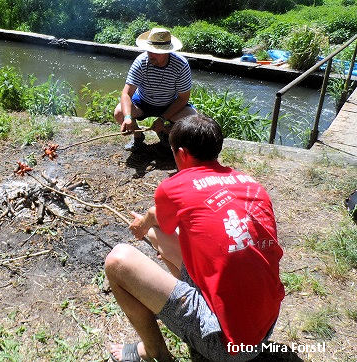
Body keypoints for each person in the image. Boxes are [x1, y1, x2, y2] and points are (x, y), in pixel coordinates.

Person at [106, 114, 284, 362]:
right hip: (264, 328)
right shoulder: (250, 184)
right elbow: (164, 223)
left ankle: (153, 351)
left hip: (228, 347)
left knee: (118, 260)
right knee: (165, 234)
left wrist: (145, 221)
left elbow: (159, 216)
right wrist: (148, 223)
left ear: (181, 153)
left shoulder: (173, 187)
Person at [114, 27, 196, 151]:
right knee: (119, 112)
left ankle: (166, 134)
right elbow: (126, 93)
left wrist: (163, 119)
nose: (150, 55)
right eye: (149, 50)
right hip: (142, 102)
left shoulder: (181, 65)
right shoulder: (141, 62)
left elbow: (183, 98)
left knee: (192, 118)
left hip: (169, 104)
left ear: (167, 52)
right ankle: (138, 137)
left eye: (156, 52)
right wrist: (127, 118)